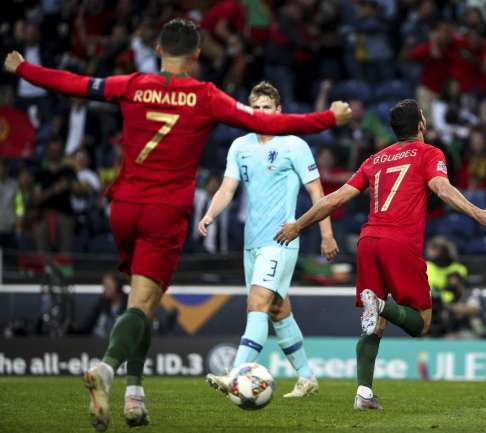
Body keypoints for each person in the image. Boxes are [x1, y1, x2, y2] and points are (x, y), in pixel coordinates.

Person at [4, 18, 351, 431]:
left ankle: (135, 395)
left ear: (157, 49)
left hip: (123, 207)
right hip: (163, 212)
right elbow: (267, 124)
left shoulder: (131, 84)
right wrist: (328, 118)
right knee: (142, 304)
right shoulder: (204, 95)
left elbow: (75, 83)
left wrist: (24, 68)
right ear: (198, 56)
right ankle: (108, 369)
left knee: (142, 303)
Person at [274, 99, 486, 410]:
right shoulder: (430, 153)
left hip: (368, 241)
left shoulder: (375, 159)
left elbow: (335, 198)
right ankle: (382, 305)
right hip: (400, 243)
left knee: (372, 325)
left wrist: (297, 226)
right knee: (420, 324)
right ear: (421, 125)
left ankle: (364, 394)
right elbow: (441, 187)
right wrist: (477, 212)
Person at [200, 81, 338, 399]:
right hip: (252, 243)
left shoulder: (294, 145)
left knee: (258, 305)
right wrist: (210, 214)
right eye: (256, 108)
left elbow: (318, 193)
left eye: (267, 108)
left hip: (281, 239)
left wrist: (326, 234)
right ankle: (306, 377)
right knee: (277, 310)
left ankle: (234, 375)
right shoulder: (240, 147)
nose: (261, 113)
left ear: (279, 111)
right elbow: (227, 189)